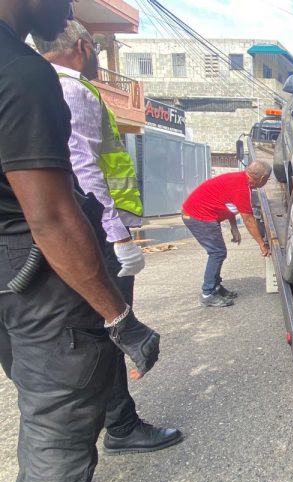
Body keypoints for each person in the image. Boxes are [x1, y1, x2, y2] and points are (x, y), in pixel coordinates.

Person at [0, 1, 161, 482]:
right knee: (56, 419)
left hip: (12, 276)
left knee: (41, 392)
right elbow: (54, 211)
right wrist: (119, 314)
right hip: (43, 274)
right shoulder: (29, 76)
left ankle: (120, 424)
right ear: (85, 48)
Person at [34, 21, 182, 455]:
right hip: (91, 231)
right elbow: (84, 168)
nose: (99, 56)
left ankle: (105, 426)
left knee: (80, 332)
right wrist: (117, 236)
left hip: (59, 230)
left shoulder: (34, 84)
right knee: (113, 325)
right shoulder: (73, 89)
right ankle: (119, 426)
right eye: (97, 48)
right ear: (83, 46)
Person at [182, 162, 271, 307]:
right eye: (267, 180)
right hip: (198, 216)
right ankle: (207, 294)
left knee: (218, 252)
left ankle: (216, 288)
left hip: (199, 213)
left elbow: (229, 203)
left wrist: (234, 227)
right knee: (217, 252)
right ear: (262, 178)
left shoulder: (240, 179)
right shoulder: (242, 187)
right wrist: (262, 245)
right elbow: (248, 219)